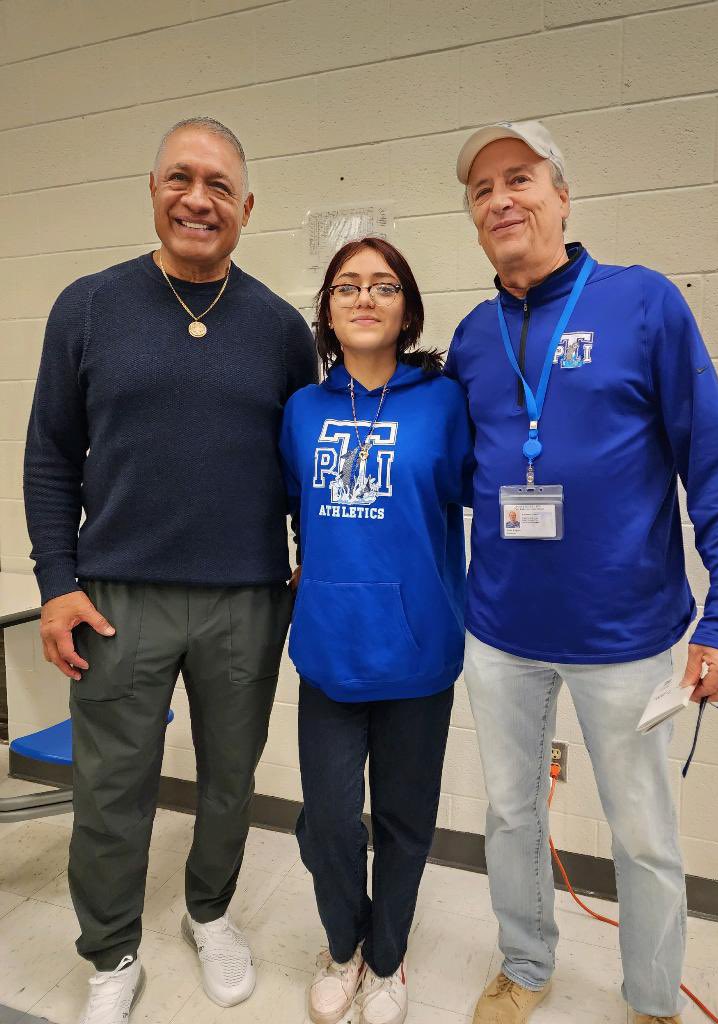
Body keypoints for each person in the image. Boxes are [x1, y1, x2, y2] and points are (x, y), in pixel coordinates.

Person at [445, 121, 718, 1024]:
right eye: (481, 190)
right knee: (511, 817)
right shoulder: (472, 336)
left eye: (519, 178)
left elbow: (714, 465)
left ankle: (653, 999)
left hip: (625, 635)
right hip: (501, 632)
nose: (500, 200)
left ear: (561, 195)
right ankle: (525, 962)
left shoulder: (643, 303)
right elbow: (458, 474)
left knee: (645, 835)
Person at [23, 117, 316, 1024]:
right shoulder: (88, 307)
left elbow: (303, 470)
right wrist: (57, 584)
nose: (199, 199)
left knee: (230, 779)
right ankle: (111, 952)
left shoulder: (280, 330)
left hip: (246, 600)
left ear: (247, 207)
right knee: (111, 789)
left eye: (219, 185)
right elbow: (49, 456)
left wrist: (312, 576)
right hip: (117, 598)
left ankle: (210, 913)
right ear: (152, 190)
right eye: (181, 179)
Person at [279, 237, 474, 1024]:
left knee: (403, 822)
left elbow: (477, 496)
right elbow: (299, 509)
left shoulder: (445, 402)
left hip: (419, 651)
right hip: (330, 650)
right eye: (347, 286)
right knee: (328, 821)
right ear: (327, 312)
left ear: (407, 311)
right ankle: (343, 943)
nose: (365, 297)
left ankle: (387, 959)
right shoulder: (303, 411)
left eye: (384, 286)